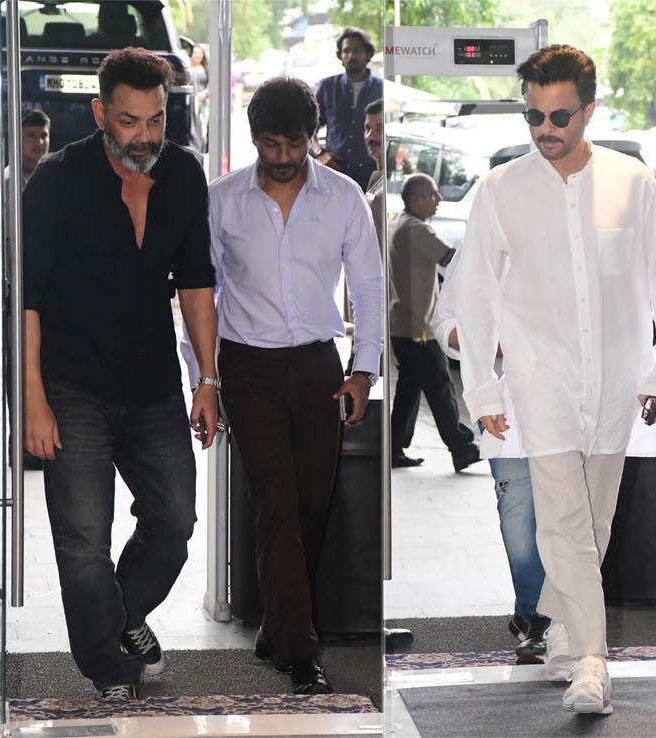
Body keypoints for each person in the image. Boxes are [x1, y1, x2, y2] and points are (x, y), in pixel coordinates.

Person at [454, 44, 656, 715]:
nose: (545, 129)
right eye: (533, 116)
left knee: (594, 520)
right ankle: (593, 664)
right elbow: (473, 296)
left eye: (559, 116)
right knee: (564, 522)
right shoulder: (501, 189)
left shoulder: (632, 181)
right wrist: (482, 389)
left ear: (589, 110)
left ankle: (563, 636)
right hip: (540, 379)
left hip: (618, 382)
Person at [22, 48, 220, 700]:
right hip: (71, 384)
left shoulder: (183, 174)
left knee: (176, 520)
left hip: (154, 383)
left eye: (156, 120)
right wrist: (33, 400)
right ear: (100, 113)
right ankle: (111, 667)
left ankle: (123, 618)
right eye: (129, 122)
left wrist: (208, 380)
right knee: (83, 542)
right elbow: (26, 300)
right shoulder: (56, 180)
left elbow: (196, 284)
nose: (144, 137)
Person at [206, 76, 385, 694]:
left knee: (311, 505)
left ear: (315, 136)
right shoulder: (222, 200)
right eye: (270, 144)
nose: (282, 157)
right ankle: (301, 651)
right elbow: (199, 295)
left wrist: (363, 368)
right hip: (247, 368)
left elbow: (368, 285)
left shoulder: (342, 196)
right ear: (253, 137)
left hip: (318, 368)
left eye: (295, 143)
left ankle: (274, 627)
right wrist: (204, 378)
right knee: (275, 502)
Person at [387, 173, 481, 471]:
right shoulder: (416, 230)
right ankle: (461, 448)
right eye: (433, 194)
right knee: (440, 385)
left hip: (402, 324)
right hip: (419, 328)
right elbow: (451, 259)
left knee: (409, 388)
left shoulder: (398, 222)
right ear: (416, 199)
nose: (439, 199)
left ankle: (393, 447)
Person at [313, 27, 384, 191]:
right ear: (340, 56)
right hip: (334, 175)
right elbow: (306, 129)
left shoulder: (381, 89)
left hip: (370, 177)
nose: (351, 55)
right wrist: (319, 152)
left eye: (356, 50)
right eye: (346, 51)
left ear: (367, 54)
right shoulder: (327, 87)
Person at [6, 109, 51, 190]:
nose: (39, 142)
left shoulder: (52, 173)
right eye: (31, 135)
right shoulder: (11, 181)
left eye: (44, 136)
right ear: (17, 138)